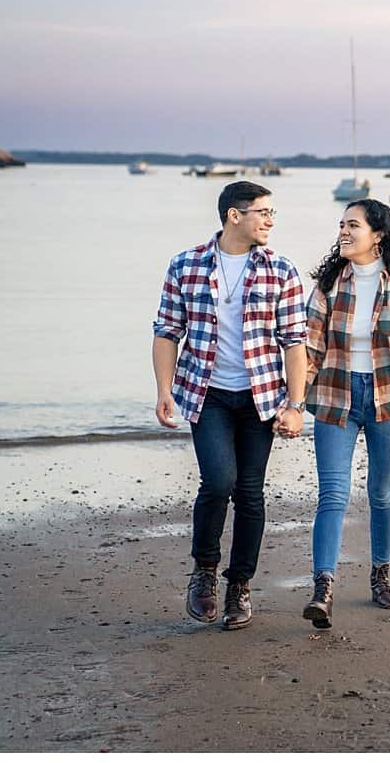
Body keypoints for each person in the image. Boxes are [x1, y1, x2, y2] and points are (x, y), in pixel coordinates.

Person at [151, 181, 309, 630]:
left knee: (250, 492)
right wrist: (164, 390)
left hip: (260, 398)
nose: (271, 220)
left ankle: (239, 584)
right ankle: (204, 573)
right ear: (234, 216)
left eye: (272, 212)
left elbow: (295, 342)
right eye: (263, 212)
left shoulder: (282, 269)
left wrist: (295, 405)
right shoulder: (186, 264)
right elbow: (167, 332)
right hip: (207, 393)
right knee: (218, 481)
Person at [299, 199, 390, 629]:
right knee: (333, 495)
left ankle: (380, 575)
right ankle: (323, 587)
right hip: (336, 395)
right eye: (341, 224)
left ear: (377, 234)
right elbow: (310, 347)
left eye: (352, 225)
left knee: (382, 493)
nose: (343, 231)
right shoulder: (328, 283)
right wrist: (292, 400)